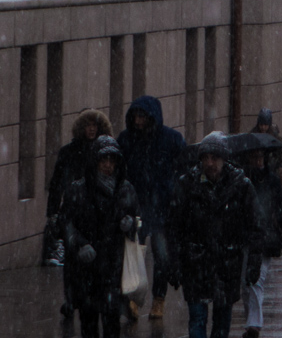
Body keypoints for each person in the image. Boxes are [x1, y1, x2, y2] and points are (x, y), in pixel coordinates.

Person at [167, 134, 259, 338]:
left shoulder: (241, 186)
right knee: (197, 319)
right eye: (206, 158)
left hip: (227, 264)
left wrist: (253, 262)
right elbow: (174, 227)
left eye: (214, 158)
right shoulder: (187, 185)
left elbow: (254, 228)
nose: (210, 163)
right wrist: (173, 263)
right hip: (195, 263)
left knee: (221, 322)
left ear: (224, 159)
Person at [59, 136, 137, 338]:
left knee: (112, 321)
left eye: (112, 161)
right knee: (89, 321)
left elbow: (136, 220)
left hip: (113, 266)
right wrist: (80, 245)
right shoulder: (78, 190)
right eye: (104, 161)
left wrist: (129, 224)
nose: (108, 166)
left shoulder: (125, 189)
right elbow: (66, 224)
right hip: (86, 269)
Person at [119, 95, 186, 320]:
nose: (138, 121)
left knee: (161, 257)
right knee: (134, 256)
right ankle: (134, 298)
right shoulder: (127, 140)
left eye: (142, 116)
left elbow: (183, 169)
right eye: (135, 116)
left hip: (161, 208)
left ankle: (158, 300)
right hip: (136, 206)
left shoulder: (170, 139)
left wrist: (174, 192)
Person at [49, 109, 116, 317]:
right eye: (88, 125)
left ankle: (89, 299)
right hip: (74, 209)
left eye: (95, 126)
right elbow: (57, 183)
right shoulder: (69, 152)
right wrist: (53, 211)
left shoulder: (106, 153)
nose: (91, 129)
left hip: (97, 213)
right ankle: (71, 300)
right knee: (72, 261)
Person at [240, 144, 282, 338]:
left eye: (261, 158)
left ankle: (254, 324)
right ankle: (251, 320)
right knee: (245, 284)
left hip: (265, 237)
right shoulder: (240, 180)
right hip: (245, 236)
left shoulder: (271, 180)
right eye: (255, 157)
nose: (258, 162)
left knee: (257, 279)